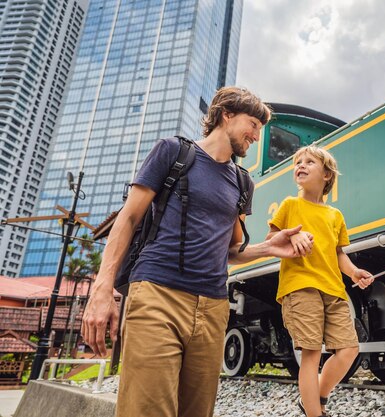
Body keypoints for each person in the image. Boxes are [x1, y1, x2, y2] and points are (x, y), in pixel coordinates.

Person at [81, 87, 314, 417]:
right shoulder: (173, 152)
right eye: (253, 124)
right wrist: (102, 288)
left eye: (261, 129)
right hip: (157, 295)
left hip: (212, 307)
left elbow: (231, 249)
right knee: (146, 409)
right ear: (226, 115)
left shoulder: (242, 182)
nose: (256, 136)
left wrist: (268, 248)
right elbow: (128, 218)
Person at [266, 145, 374, 417]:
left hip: (334, 289)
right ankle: (315, 413)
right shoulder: (290, 205)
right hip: (300, 287)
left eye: (309, 162)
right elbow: (271, 240)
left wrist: (353, 272)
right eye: (297, 162)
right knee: (311, 354)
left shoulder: (335, 216)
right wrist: (292, 237)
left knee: (349, 349)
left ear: (327, 175)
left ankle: (317, 398)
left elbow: (338, 253)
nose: (300, 165)